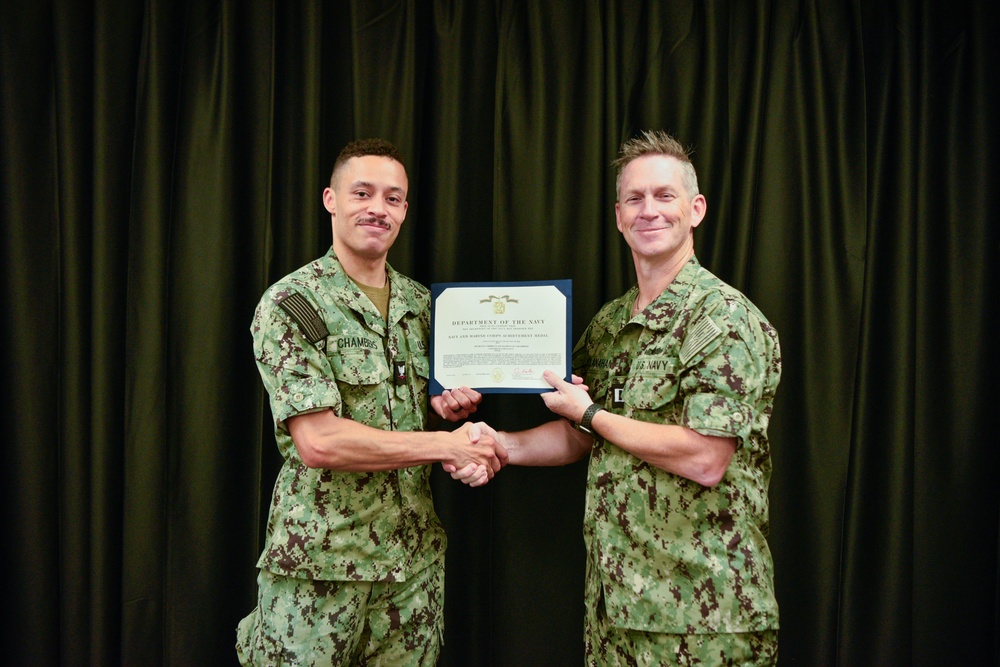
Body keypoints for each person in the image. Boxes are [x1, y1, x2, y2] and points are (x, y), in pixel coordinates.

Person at [453, 130, 781, 664]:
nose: (648, 210)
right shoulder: (611, 323)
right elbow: (582, 434)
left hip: (704, 620)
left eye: (664, 195)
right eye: (635, 198)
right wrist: (500, 445)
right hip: (617, 612)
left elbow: (705, 457)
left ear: (695, 209)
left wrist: (590, 412)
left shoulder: (722, 318)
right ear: (618, 215)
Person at [236, 138, 505, 666]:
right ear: (330, 199)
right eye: (362, 193)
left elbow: (412, 410)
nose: (377, 209)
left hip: (411, 569)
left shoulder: (425, 305)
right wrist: (447, 445)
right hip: (320, 570)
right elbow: (319, 442)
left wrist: (446, 413)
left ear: (405, 210)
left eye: (393, 198)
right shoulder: (293, 304)